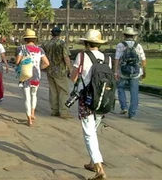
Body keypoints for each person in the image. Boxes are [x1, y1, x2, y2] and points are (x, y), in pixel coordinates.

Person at [70, 29, 110, 180]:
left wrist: (74, 74)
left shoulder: (81, 56)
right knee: (93, 130)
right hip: (103, 99)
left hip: (86, 99)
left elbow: (73, 78)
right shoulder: (108, 58)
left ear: (86, 43)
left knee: (88, 133)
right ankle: (93, 162)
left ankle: (99, 169)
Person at [15, 29, 49, 126]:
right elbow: (47, 63)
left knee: (27, 98)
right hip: (36, 75)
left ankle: (29, 118)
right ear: (34, 39)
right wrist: (39, 68)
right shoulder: (40, 50)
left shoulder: (21, 49)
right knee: (34, 95)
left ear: (25, 39)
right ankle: (33, 113)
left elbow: (17, 62)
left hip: (26, 74)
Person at [41, 27, 73, 119]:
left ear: (51, 34)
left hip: (49, 70)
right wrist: (70, 68)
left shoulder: (46, 44)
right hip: (60, 70)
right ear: (59, 34)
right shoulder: (62, 43)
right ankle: (63, 111)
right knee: (63, 91)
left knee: (53, 90)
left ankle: (54, 110)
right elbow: (66, 57)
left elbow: (41, 55)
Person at [114, 27, 147, 119]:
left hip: (123, 72)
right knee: (134, 93)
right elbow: (143, 60)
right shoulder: (138, 45)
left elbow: (116, 59)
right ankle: (132, 113)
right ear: (133, 36)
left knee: (120, 88)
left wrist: (115, 72)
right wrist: (144, 72)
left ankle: (124, 106)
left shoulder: (120, 45)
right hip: (136, 72)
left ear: (124, 35)